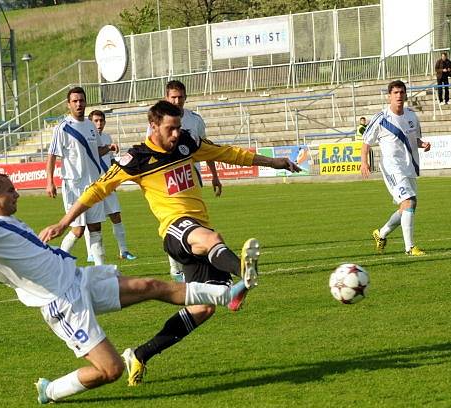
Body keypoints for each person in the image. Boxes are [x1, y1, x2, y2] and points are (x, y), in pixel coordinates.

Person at [0, 172, 254, 403]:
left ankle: (225, 293)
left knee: (152, 285)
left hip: (78, 278)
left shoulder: (5, 223)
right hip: (62, 303)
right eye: (9, 189)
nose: (16, 192)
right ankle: (51, 391)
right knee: (111, 370)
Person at [39, 100, 301, 387]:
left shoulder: (187, 142)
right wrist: (65, 222)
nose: (176, 134)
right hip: (175, 229)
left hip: (197, 226)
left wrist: (274, 162)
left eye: (178, 127)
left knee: (203, 308)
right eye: (170, 128)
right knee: (212, 240)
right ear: (153, 125)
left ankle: (140, 354)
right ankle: (243, 273)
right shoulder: (136, 158)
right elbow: (97, 190)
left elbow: (228, 153)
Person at [154, 80, 222, 282]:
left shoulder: (195, 120)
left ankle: (193, 265)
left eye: (180, 97)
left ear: (185, 97)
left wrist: (215, 175)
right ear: (166, 98)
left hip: (192, 178)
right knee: (174, 222)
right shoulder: (157, 122)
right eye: (173, 97)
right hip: (167, 180)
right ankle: (176, 267)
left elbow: (207, 149)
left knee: (195, 221)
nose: (177, 101)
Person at [361, 80, 431, 257]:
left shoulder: (411, 116)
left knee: (408, 206)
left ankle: (381, 233)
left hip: (409, 166)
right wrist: (364, 162)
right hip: (392, 167)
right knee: (408, 202)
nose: (399, 96)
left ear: (405, 95)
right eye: (395, 93)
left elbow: (413, 139)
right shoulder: (382, 118)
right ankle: (409, 248)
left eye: (401, 92)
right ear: (389, 96)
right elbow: (366, 142)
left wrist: (423, 144)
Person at [45, 87, 109, 265]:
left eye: (81, 100)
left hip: (94, 184)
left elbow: (97, 150)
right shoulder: (63, 128)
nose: (79, 104)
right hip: (74, 185)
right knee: (78, 229)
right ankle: (57, 261)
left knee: (96, 227)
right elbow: (51, 155)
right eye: (75, 101)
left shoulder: (90, 125)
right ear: (69, 104)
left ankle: (100, 269)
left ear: (85, 102)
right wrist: (49, 181)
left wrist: (110, 149)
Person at [87, 109, 137, 261]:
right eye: (96, 121)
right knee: (92, 222)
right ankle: (92, 253)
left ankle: (123, 250)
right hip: (93, 184)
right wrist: (108, 148)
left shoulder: (107, 137)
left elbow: (109, 160)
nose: (99, 124)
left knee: (116, 216)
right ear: (90, 122)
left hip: (108, 184)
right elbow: (94, 154)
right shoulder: (88, 138)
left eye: (101, 120)